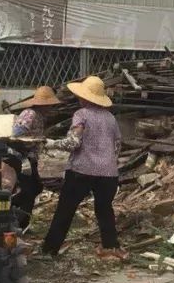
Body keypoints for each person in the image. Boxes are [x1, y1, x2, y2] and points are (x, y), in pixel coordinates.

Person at [41, 76, 126, 260]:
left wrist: (48, 143)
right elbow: (118, 144)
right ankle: (111, 246)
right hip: (108, 173)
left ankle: (49, 250)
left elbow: (72, 142)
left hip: (82, 170)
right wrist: (108, 161)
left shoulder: (81, 114)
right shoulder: (111, 118)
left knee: (66, 209)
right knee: (104, 210)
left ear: (85, 97)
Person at [7, 86, 60, 223]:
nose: (51, 108)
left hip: (31, 156)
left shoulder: (40, 116)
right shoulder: (30, 114)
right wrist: (30, 140)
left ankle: (18, 213)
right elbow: (16, 133)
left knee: (36, 187)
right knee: (29, 189)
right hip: (21, 156)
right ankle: (20, 219)